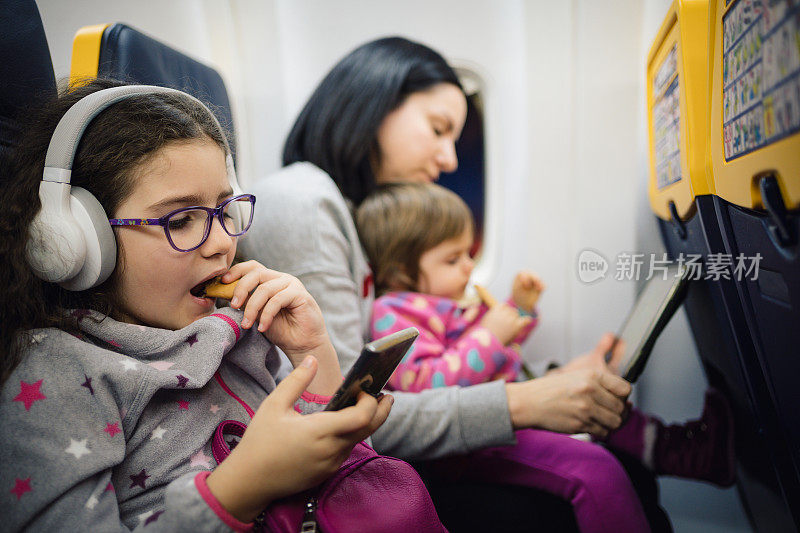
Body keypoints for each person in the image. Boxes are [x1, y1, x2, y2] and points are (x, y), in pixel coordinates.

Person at [239, 36, 676, 530]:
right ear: (373, 106)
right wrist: (527, 402)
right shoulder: (306, 206)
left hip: (387, 449)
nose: (449, 159)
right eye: (438, 129)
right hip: (344, 473)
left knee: (629, 470)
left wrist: (545, 383)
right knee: (600, 485)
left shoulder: (346, 213)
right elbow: (342, 412)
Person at [0, 80, 400, 531]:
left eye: (225, 211)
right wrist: (242, 489)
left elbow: (333, 481)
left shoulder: (237, 329)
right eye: (182, 220)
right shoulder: (60, 376)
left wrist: (312, 354)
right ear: (77, 242)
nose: (224, 243)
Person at [355, 182, 737, 531]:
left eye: (469, 254)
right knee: (596, 471)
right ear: (402, 271)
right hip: (470, 441)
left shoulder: (447, 301)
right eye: (453, 260)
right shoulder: (395, 312)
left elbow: (478, 349)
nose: (468, 266)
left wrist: (517, 309)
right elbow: (427, 384)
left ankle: (684, 450)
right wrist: (492, 334)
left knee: (597, 402)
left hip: (504, 411)